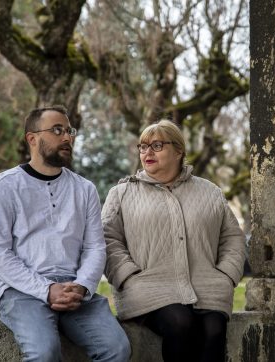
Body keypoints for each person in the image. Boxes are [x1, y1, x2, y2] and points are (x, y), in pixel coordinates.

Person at [0, 106, 131, 362]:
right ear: (32, 138)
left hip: (74, 288)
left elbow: (95, 247)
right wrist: (46, 289)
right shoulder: (4, 187)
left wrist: (83, 286)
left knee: (117, 349)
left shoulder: (85, 189)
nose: (67, 138)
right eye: (57, 130)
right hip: (20, 290)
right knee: (44, 352)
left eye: (69, 131)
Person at [102, 120, 246, 362]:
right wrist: (128, 275)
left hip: (207, 287)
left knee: (214, 330)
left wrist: (226, 274)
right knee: (180, 323)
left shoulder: (210, 192)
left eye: (156, 145)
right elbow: (107, 238)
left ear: (179, 150)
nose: (147, 152)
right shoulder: (122, 193)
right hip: (147, 288)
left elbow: (233, 237)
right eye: (143, 146)